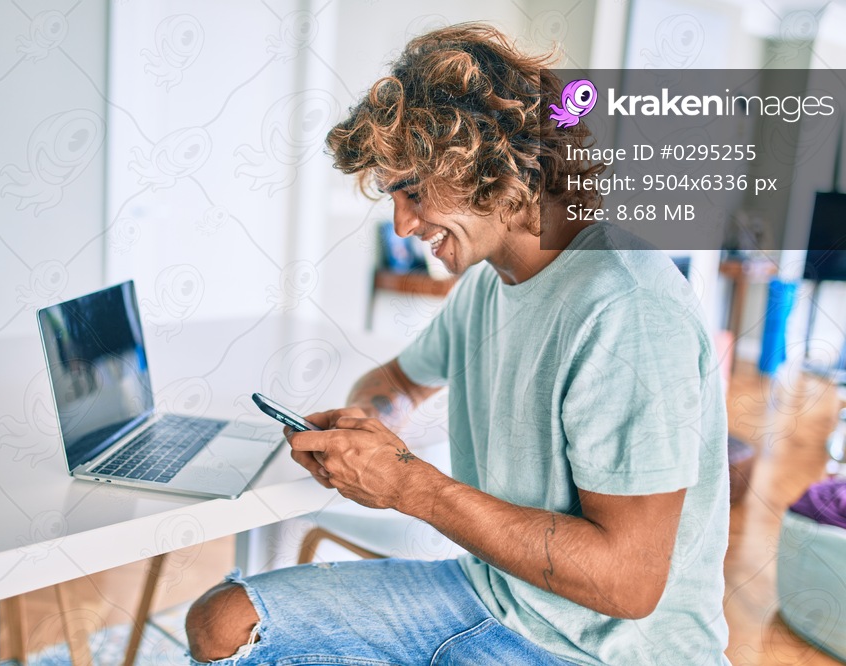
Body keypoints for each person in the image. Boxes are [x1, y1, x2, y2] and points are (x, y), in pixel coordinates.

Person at [185, 23, 730, 665]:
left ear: (492, 167)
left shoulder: (626, 307)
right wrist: (370, 426)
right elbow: (398, 382)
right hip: (496, 594)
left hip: (598, 650)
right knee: (222, 623)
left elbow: (628, 581)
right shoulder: (491, 282)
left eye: (413, 191)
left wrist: (408, 486)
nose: (403, 223)